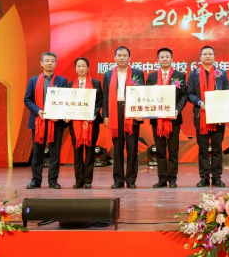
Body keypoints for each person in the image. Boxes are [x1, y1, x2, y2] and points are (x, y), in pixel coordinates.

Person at [187, 45, 229, 187]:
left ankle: (217, 177)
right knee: (203, 149)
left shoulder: (221, 73)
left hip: (218, 115)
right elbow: (189, 93)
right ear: (200, 57)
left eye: (210, 54)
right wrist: (199, 102)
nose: (207, 56)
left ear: (214, 57)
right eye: (205, 54)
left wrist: (221, 97)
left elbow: (227, 90)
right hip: (201, 115)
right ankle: (204, 177)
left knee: (217, 148)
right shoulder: (194, 74)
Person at [102, 46, 145, 189]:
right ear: (114, 58)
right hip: (115, 112)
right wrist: (106, 116)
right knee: (117, 148)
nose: (122, 58)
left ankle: (131, 180)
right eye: (119, 55)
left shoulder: (137, 73)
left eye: (124, 55)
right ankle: (118, 180)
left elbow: (142, 94)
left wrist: (140, 112)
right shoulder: (108, 75)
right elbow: (105, 97)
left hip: (131, 111)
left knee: (132, 148)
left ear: (129, 58)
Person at [146, 48, 189, 188]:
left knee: (173, 151)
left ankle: (172, 179)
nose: (164, 59)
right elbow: (146, 96)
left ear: (172, 59)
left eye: (167, 56)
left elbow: (184, 95)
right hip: (157, 119)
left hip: (173, 119)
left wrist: (177, 109)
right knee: (160, 151)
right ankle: (162, 179)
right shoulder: (152, 77)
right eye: (162, 57)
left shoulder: (179, 76)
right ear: (158, 60)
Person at [23, 52, 68, 189]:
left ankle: (53, 181)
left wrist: (59, 114)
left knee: (55, 153)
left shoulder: (62, 81)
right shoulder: (33, 80)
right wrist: (38, 111)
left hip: (56, 122)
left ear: (56, 64)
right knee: (37, 153)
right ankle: (36, 180)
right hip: (38, 121)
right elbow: (27, 99)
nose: (50, 63)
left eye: (52, 61)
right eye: (47, 60)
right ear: (41, 63)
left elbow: (65, 100)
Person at [65, 57, 103, 189]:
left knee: (90, 151)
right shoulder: (70, 85)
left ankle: (88, 180)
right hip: (75, 124)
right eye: (78, 66)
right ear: (75, 68)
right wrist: (67, 115)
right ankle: (79, 180)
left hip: (91, 122)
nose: (81, 68)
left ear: (88, 68)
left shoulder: (96, 83)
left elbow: (100, 101)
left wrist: (94, 113)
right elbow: (67, 103)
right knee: (77, 152)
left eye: (83, 66)